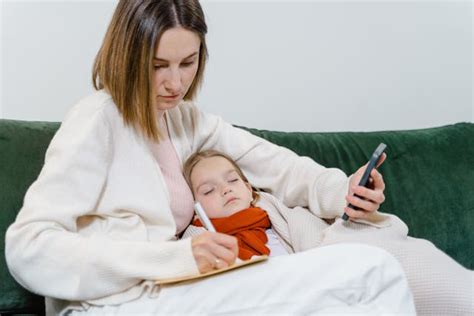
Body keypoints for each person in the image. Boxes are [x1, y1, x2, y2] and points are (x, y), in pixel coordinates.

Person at [2, 0, 466, 315]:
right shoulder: (96, 120)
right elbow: (28, 248)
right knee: (371, 269)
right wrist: (173, 258)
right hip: (117, 304)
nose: (175, 83)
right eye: (159, 66)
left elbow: (278, 166)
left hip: (173, 293)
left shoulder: (184, 121)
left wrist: (340, 188)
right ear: (126, 57)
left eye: (188, 63)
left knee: (360, 279)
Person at [184, 149, 289, 260]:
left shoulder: (284, 222)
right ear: (195, 209)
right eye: (208, 190)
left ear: (248, 189)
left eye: (232, 180)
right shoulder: (195, 249)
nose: (226, 189)